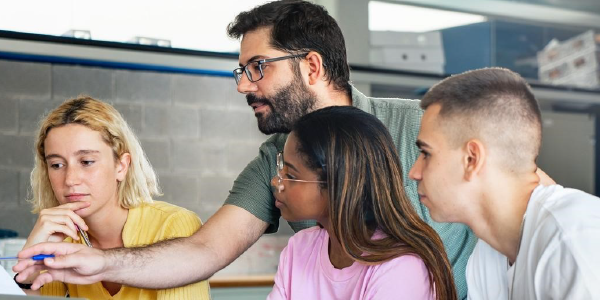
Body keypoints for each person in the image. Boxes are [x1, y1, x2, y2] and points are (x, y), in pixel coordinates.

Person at [15, 1, 476, 298]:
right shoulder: (274, 164)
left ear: (311, 66)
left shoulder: (420, 124)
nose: (244, 87)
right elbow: (203, 250)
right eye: (240, 72)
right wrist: (99, 262)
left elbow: (520, 191)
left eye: (257, 68)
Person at [408, 67, 600, 299]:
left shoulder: (575, 242)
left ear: (472, 159)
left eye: (426, 153)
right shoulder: (488, 256)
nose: (414, 173)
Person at [17, 96, 210, 299]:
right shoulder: (62, 238)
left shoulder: (173, 225)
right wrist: (30, 261)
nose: (70, 180)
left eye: (87, 161)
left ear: (121, 166)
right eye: (57, 165)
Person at [267, 106, 457, 299]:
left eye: (290, 174)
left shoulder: (401, 267)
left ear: (338, 183)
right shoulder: (299, 247)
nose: (276, 182)